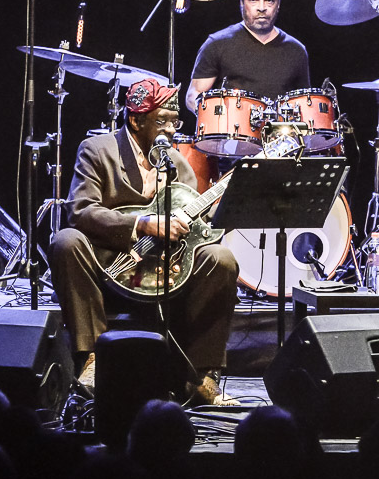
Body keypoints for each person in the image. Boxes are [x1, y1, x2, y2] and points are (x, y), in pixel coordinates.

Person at [49, 78, 239, 405]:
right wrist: (144, 224)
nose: (170, 130)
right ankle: (93, 360)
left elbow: (195, 226)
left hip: (164, 267)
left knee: (220, 257)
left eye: (175, 122)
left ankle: (202, 377)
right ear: (136, 120)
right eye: (161, 121)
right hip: (106, 259)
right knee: (66, 241)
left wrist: (200, 222)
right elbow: (80, 211)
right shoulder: (98, 150)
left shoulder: (178, 163)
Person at [185, 0, 311, 114]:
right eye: (253, 0)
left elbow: (305, 104)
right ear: (241, 3)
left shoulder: (296, 50)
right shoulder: (216, 43)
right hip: (231, 132)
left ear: (278, 5)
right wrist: (218, 118)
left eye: (269, 1)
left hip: (278, 134)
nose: (262, 7)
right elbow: (193, 95)